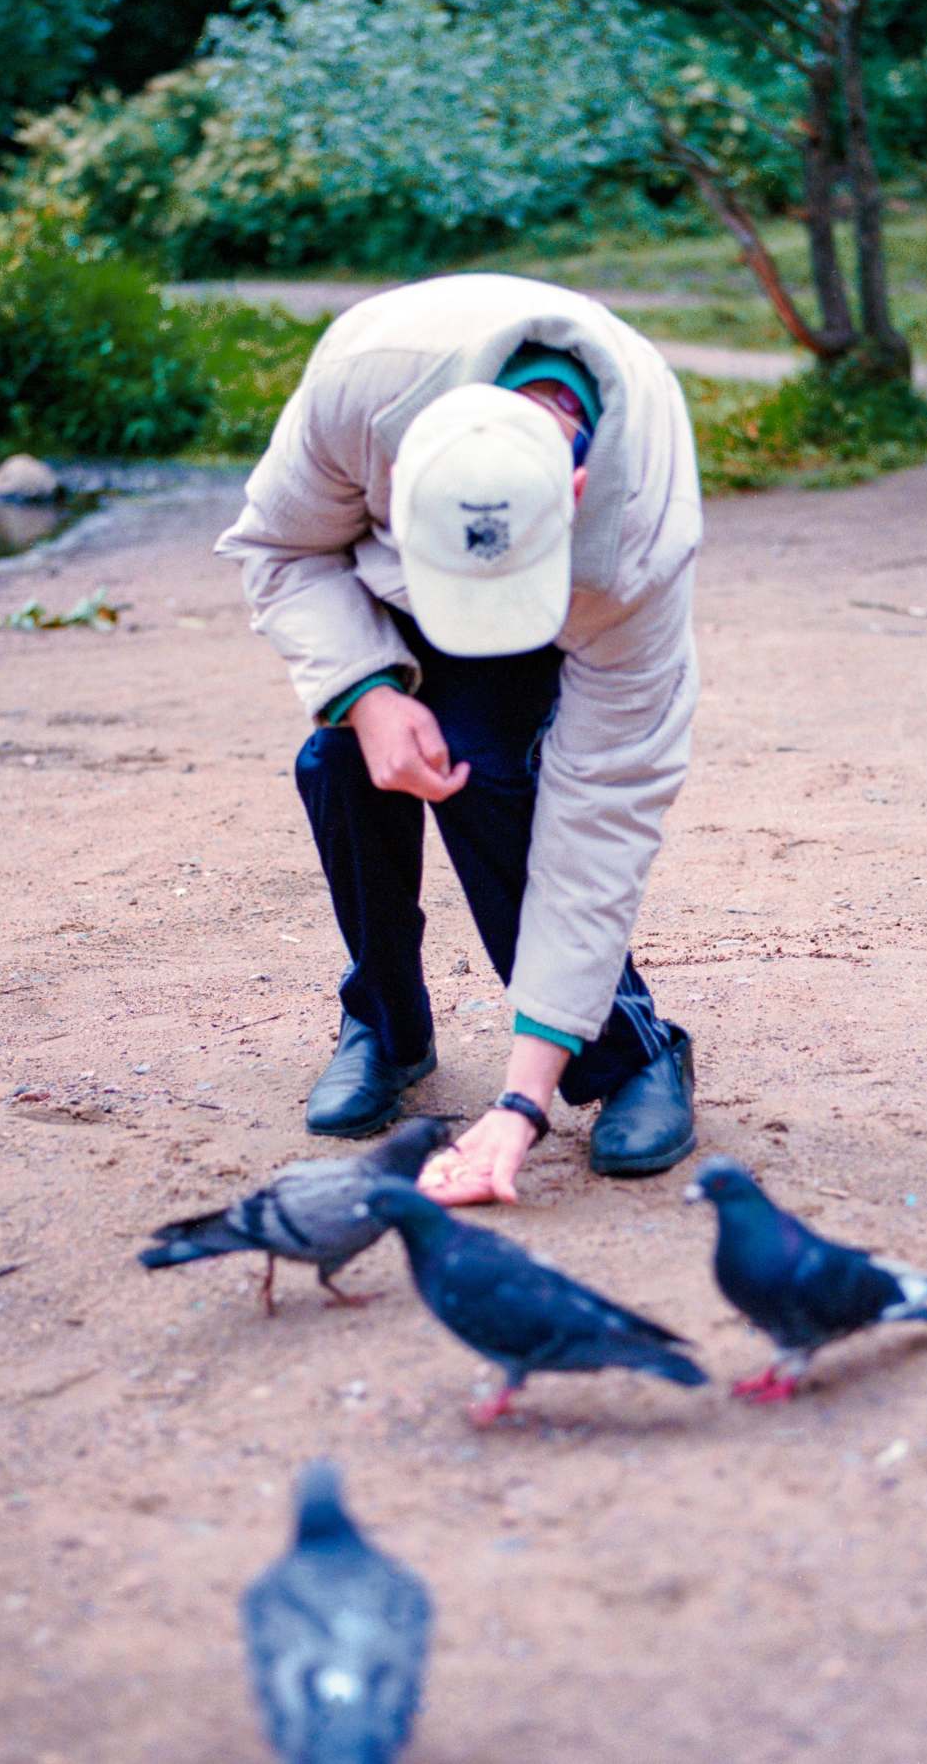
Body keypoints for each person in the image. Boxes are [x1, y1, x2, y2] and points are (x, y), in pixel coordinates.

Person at [216, 273, 701, 1206]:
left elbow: (601, 816)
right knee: (343, 760)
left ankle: (631, 1055)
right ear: (395, 477)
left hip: (563, 593)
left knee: (490, 773)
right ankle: (387, 1027)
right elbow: (280, 546)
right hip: (392, 583)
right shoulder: (358, 390)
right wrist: (367, 692)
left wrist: (522, 1102)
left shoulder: (641, 540)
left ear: (578, 486)